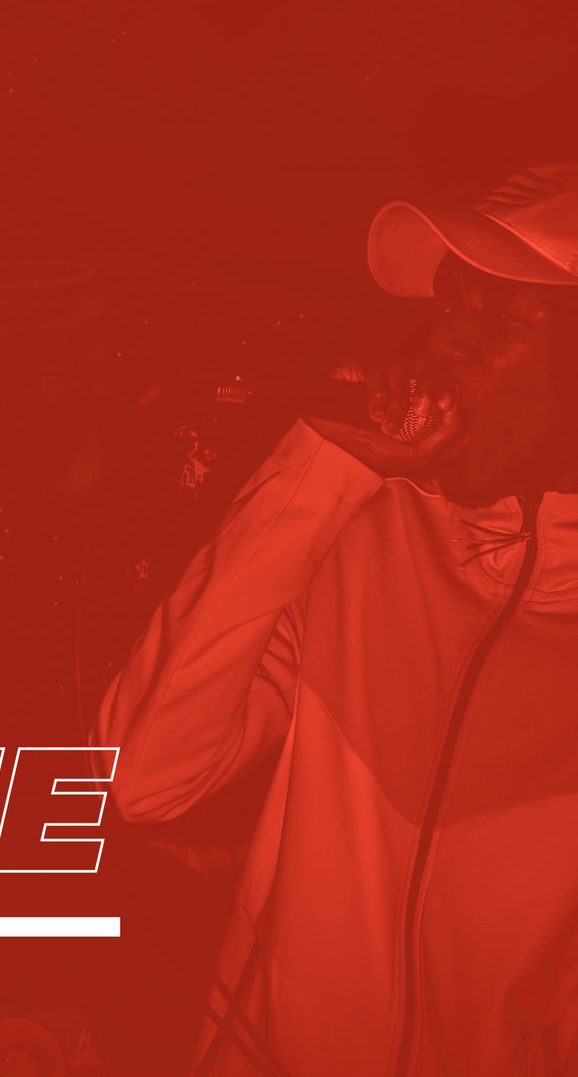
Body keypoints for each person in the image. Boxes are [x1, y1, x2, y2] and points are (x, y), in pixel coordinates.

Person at [94, 162, 578, 1076]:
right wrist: (318, 465)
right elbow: (141, 779)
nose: (448, 339)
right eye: (451, 305)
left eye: (502, 315)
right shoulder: (362, 531)